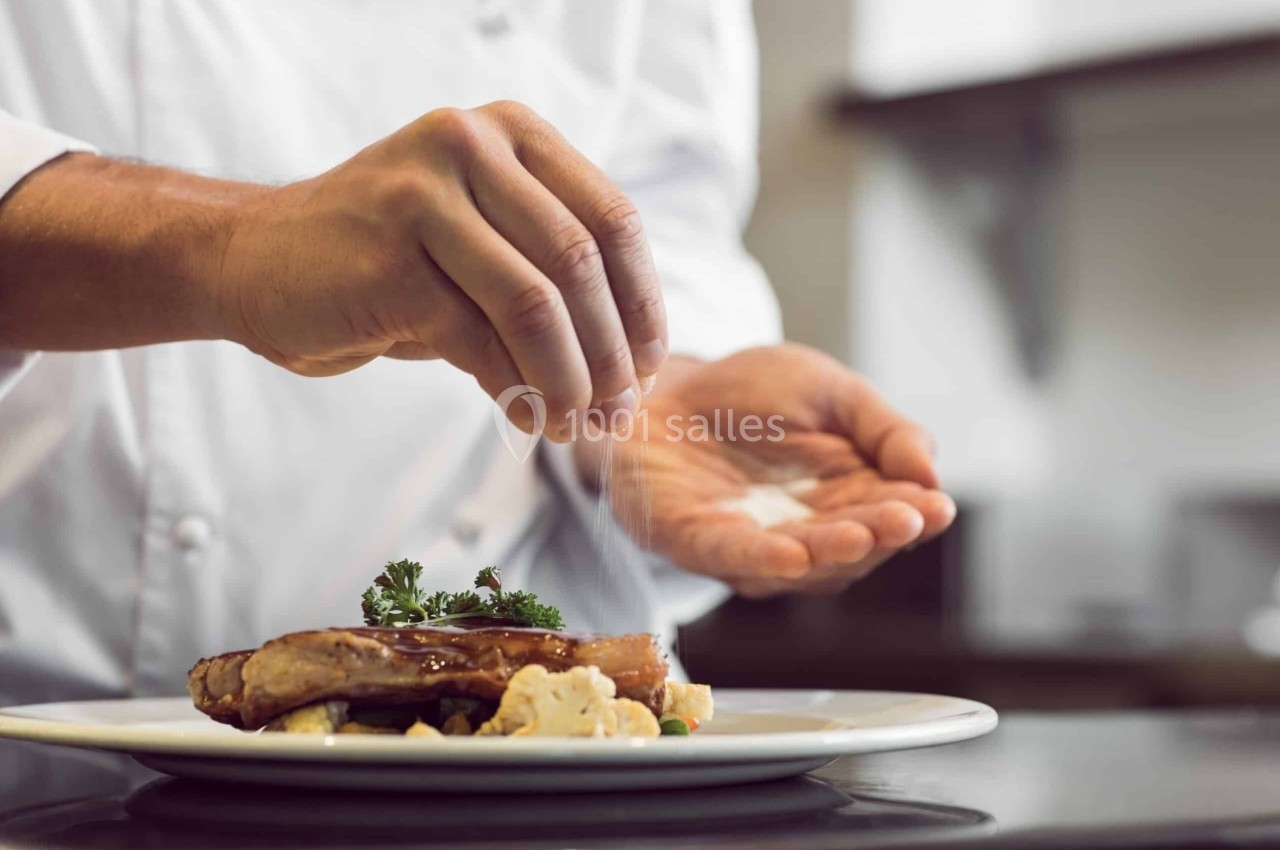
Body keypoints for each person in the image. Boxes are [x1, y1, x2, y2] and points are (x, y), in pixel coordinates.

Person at [0, 1, 954, 704]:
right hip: (40, 739)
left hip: (537, 758)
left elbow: (663, 210)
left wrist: (643, 391)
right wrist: (237, 247)